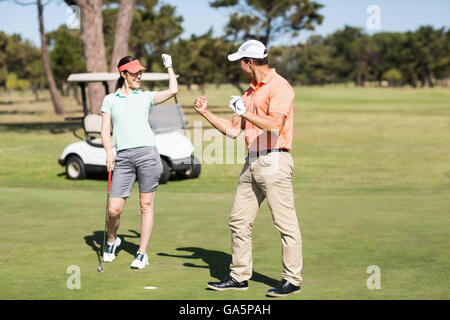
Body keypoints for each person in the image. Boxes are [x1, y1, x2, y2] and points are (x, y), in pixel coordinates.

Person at [193, 40, 303, 297]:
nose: (238, 67)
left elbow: (275, 125)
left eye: (240, 62)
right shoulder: (248, 92)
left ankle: (292, 280)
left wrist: (246, 112)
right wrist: (205, 112)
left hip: (275, 160)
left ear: (250, 63)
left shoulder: (280, 87)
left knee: (285, 224)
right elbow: (233, 131)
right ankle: (239, 275)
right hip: (251, 162)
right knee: (239, 221)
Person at [100, 54, 178, 269]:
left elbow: (173, 91)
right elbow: (105, 130)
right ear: (123, 74)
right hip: (122, 158)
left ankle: (142, 253)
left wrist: (169, 66)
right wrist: (109, 153)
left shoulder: (145, 96)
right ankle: (112, 241)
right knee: (113, 209)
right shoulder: (110, 99)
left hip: (147, 155)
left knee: (146, 205)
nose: (139, 75)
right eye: (134, 72)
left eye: (140, 72)